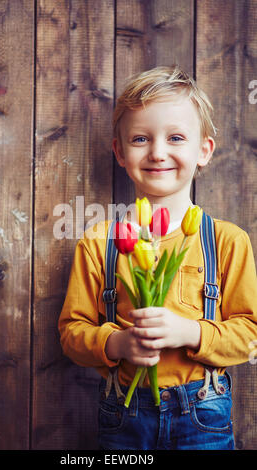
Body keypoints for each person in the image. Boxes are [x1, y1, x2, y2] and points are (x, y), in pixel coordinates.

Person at [58, 65, 257, 450]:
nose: (158, 152)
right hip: (125, 415)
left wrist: (191, 332)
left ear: (204, 151)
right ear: (119, 151)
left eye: (176, 137)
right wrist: (117, 344)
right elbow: (71, 334)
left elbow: (250, 335)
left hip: (203, 412)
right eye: (140, 138)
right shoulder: (100, 242)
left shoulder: (227, 241)